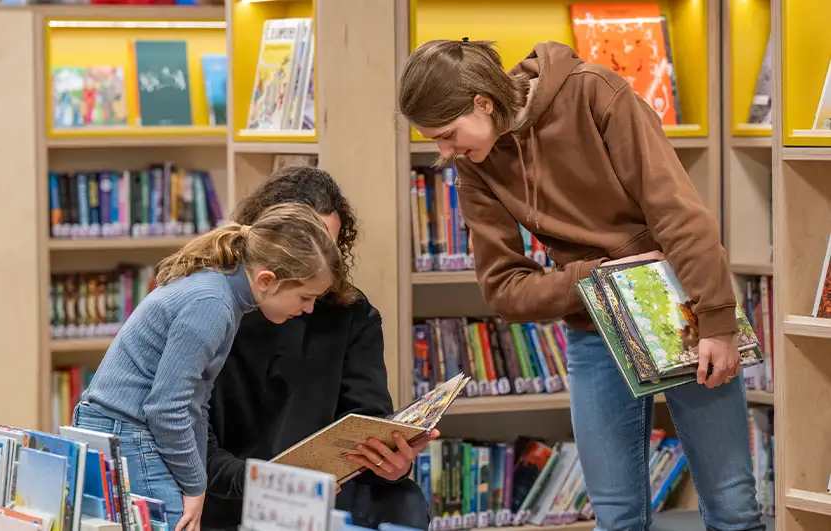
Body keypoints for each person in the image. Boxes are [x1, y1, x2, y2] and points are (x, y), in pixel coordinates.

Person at [399, 40, 764, 531]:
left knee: (733, 506)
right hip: (594, 324)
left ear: (482, 102)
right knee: (615, 518)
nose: (443, 153)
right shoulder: (474, 164)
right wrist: (597, 278)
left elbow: (678, 214)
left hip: (682, 307)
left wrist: (717, 320)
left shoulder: (594, 93)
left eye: (447, 134)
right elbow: (504, 290)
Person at [73, 202, 343, 531]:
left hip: (121, 427)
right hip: (129, 432)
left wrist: (196, 482)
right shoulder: (213, 304)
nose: (310, 309)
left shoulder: (222, 292)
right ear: (266, 280)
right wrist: (195, 486)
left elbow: (197, 403)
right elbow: (166, 408)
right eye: (305, 297)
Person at [202, 166, 433, 530]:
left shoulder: (351, 313)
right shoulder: (214, 309)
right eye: (307, 246)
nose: (320, 262)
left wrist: (391, 463)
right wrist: (272, 484)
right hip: (229, 487)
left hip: (325, 489)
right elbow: (193, 442)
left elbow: (367, 418)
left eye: (330, 248)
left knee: (402, 500)